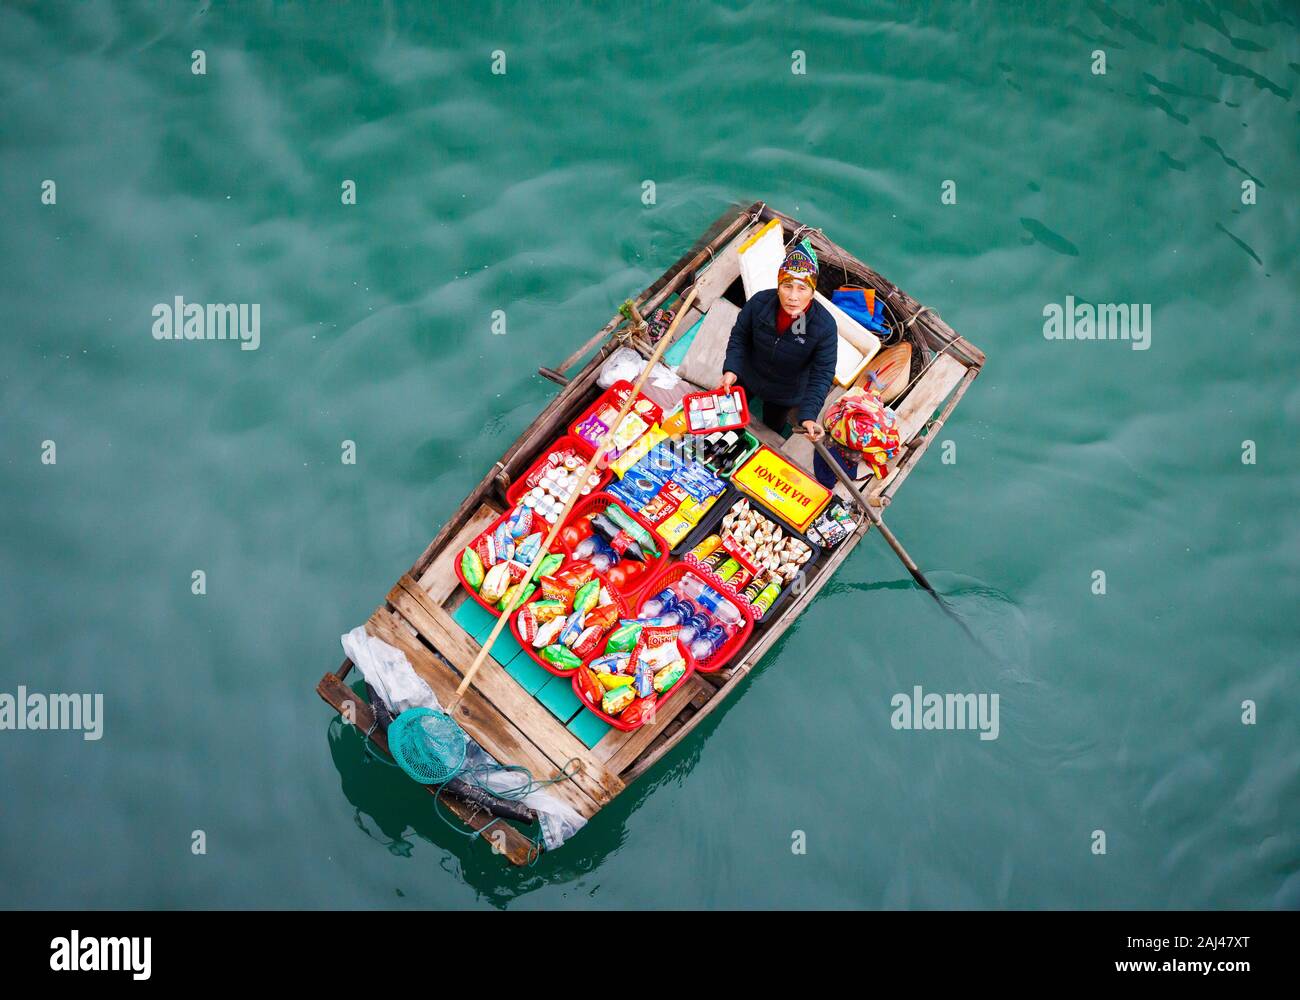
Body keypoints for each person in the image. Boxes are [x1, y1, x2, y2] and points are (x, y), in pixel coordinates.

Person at [719, 237, 853, 488]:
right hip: (747, 377)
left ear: (813, 291)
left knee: (769, 427)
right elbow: (739, 337)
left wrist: (809, 416)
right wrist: (732, 369)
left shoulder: (823, 327)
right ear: (778, 285)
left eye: (802, 288)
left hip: (785, 394)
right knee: (729, 418)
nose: (792, 296)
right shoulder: (759, 303)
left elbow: (823, 374)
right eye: (787, 286)